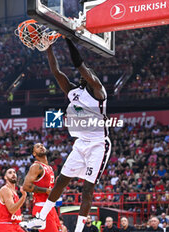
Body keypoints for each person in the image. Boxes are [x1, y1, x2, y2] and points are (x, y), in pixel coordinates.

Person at [23, 38, 111, 232]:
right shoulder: (73, 91)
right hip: (81, 143)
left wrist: (69, 38)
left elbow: (79, 64)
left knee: (87, 189)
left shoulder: (99, 91)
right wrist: (49, 48)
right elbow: (56, 72)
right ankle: (40, 217)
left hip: (98, 144)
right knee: (62, 180)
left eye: (88, 74)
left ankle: (78, 230)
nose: (86, 75)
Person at [21, 143, 60, 232]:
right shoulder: (36, 166)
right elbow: (26, 186)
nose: (41, 147)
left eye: (42, 145)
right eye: (38, 147)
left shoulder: (49, 167)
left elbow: (50, 188)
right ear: (34, 153)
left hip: (51, 207)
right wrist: (46, 191)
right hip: (42, 207)